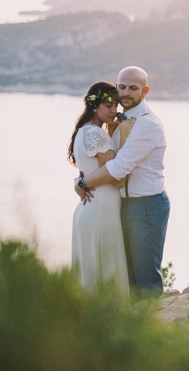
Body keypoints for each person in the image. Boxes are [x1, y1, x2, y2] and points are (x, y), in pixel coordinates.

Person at [76, 66, 169, 296]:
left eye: (133, 88)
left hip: (145, 204)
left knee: (145, 276)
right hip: (123, 204)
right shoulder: (119, 123)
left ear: (145, 91)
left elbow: (117, 168)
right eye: (123, 87)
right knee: (127, 278)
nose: (126, 93)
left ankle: (155, 319)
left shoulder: (146, 123)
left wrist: (82, 183)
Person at [69, 82, 129, 297]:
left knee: (91, 276)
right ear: (94, 106)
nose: (114, 111)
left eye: (116, 106)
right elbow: (117, 179)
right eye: (108, 106)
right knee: (108, 271)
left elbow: (90, 170)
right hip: (101, 211)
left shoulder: (82, 132)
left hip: (88, 210)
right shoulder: (97, 135)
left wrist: (81, 182)